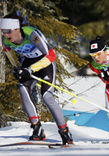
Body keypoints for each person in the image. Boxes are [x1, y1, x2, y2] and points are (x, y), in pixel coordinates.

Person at [0, 13, 73, 145]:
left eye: (8, 31)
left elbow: (50, 56)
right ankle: (37, 128)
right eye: (3, 31)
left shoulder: (31, 34)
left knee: (47, 97)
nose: (6, 35)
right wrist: (18, 69)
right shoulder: (5, 40)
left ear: (17, 29)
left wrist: (31, 69)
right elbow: (12, 57)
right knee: (22, 87)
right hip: (29, 63)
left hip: (46, 63)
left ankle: (64, 132)